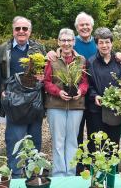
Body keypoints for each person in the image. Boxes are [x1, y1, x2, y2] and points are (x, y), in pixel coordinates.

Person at [47, 12, 121, 147]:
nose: (84, 27)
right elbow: (61, 52)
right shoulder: (72, 41)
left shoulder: (99, 44)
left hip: (88, 95)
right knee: (76, 134)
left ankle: (94, 164)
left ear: (92, 26)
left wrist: (118, 55)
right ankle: (79, 166)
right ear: (77, 28)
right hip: (78, 97)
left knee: (96, 135)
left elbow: (107, 49)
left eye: (87, 24)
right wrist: (51, 53)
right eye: (81, 25)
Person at [0, 16, 46, 178]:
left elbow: (48, 70)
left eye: (25, 28)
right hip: (14, 103)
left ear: (30, 31)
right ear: (13, 31)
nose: (21, 31)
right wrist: (2, 91)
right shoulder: (3, 49)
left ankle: (33, 177)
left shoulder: (39, 48)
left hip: (34, 102)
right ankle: (16, 177)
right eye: (18, 29)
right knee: (15, 142)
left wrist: (43, 77)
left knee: (35, 141)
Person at [44, 28, 88, 176]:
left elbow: (84, 82)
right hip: (56, 106)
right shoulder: (52, 59)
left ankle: (70, 173)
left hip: (76, 106)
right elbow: (47, 82)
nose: (66, 43)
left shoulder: (81, 60)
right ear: (58, 42)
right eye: (63, 40)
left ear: (74, 42)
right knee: (58, 142)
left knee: (72, 141)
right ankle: (58, 174)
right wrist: (58, 92)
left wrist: (81, 91)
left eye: (69, 40)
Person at [87, 27, 121, 151]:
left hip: (115, 110)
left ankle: (112, 170)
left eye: (107, 42)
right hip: (96, 110)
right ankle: (97, 170)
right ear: (97, 45)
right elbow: (88, 84)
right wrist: (94, 95)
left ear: (112, 43)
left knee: (113, 143)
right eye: (101, 42)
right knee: (97, 144)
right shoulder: (91, 62)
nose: (104, 45)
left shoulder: (119, 62)